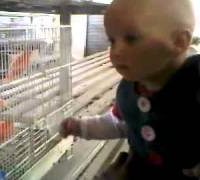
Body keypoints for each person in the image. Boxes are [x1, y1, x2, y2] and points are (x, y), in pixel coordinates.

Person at [59, 0, 200, 179]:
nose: (115, 51)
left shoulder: (194, 81)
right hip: (138, 168)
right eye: (112, 40)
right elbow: (120, 123)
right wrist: (81, 127)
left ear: (179, 41)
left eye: (131, 38)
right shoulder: (130, 90)